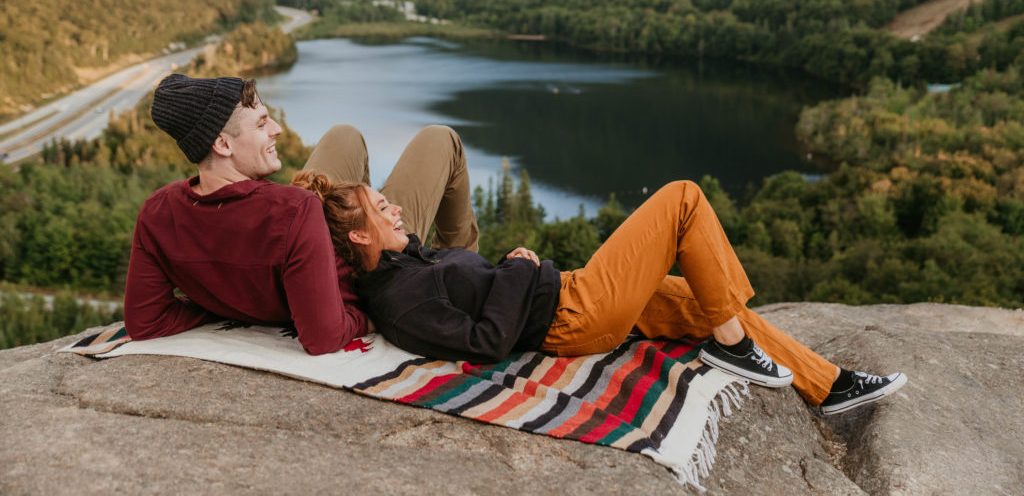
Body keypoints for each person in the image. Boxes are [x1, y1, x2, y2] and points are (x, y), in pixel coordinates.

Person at [292, 172, 908, 415]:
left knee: (710, 299)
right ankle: (731, 345)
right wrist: (512, 267)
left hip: (569, 292)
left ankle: (828, 386)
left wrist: (512, 269)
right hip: (574, 312)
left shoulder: (411, 259)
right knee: (683, 198)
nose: (394, 205)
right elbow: (486, 343)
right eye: (380, 206)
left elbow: (480, 291)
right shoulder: (399, 297)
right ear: (356, 234)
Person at [123, 73, 478, 356]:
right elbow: (323, 336)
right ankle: (463, 278)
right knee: (441, 138)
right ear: (223, 145)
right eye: (262, 124)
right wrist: (368, 319)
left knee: (344, 135)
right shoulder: (295, 208)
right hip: (371, 263)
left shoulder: (158, 211)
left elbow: (147, 321)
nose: (277, 129)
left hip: (305, 236)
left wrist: (218, 302)